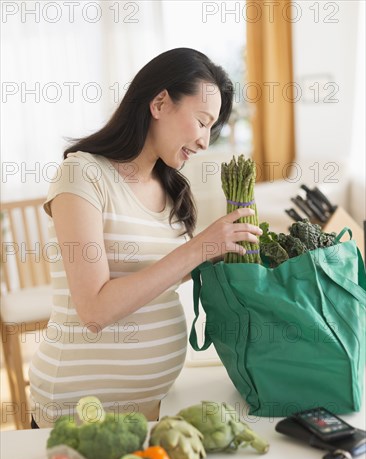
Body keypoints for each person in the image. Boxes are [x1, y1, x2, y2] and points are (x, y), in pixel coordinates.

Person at [29, 47, 262, 428]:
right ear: (159, 102)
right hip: (79, 415)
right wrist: (199, 247)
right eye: (202, 121)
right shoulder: (82, 175)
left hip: (152, 409)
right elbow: (95, 310)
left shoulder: (170, 188)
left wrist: (214, 254)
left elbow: (156, 276)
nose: (205, 141)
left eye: (211, 128)